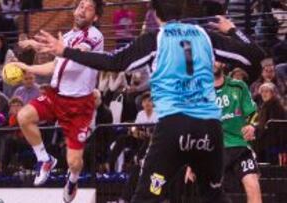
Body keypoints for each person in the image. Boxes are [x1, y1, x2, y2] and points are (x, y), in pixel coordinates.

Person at [38, 0, 265, 202]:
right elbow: (255, 55)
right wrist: (233, 30)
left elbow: (113, 62)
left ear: (155, 13)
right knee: (213, 195)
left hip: (174, 126)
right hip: (209, 128)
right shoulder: (205, 35)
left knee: (146, 196)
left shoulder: (155, 39)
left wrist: (65, 51)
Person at [12, 0, 104, 202]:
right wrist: (26, 68)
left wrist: (46, 46)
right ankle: (44, 159)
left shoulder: (95, 36)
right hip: (56, 96)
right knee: (24, 116)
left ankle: (73, 179)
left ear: (95, 17)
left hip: (79, 106)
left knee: (74, 162)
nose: (82, 9)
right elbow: (53, 67)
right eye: (80, 5)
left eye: (89, 8)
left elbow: (77, 54)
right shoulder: (68, 37)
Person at [214, 62, 262, 203]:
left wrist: (252, 126)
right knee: (211, 193)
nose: (212, 62)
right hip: (213, 150)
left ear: (223, 63)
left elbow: (254, 113)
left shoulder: (239, 86)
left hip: (239, 146)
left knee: (253, 185)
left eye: (216, 59)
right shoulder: (200, 91)